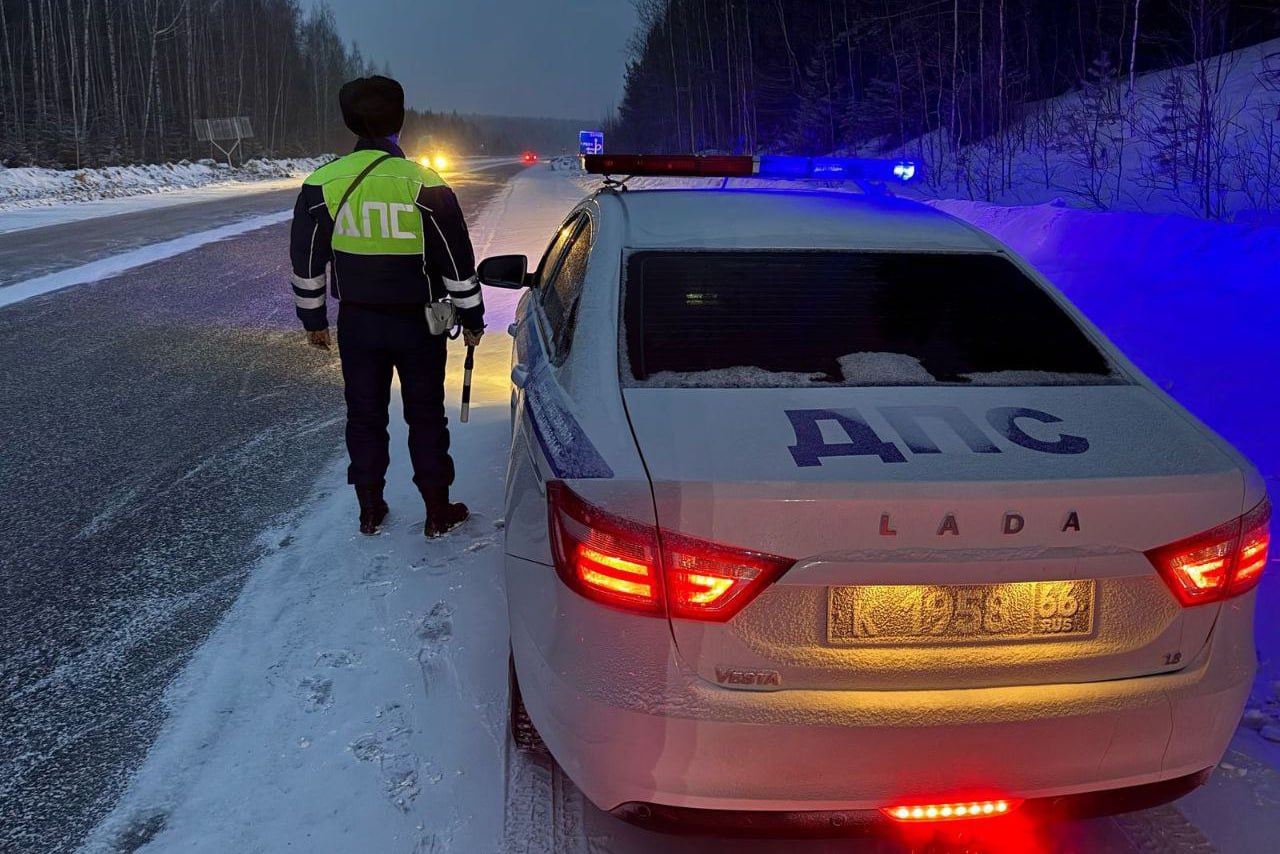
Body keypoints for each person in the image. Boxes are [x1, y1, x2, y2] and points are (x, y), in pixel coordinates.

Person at [288, 75, 484, 538]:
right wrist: (473, 317)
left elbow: (307, 260)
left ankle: (370, 509)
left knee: (364, 415)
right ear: (400, 122)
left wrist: (314, 319)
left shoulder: (321, 184)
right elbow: (456, 260)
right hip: (419, 325)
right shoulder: (424, 183)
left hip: (358, 323)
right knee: (426, 416)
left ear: (349, 121)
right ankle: (438, 511)